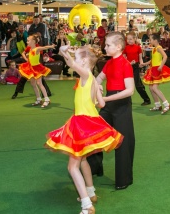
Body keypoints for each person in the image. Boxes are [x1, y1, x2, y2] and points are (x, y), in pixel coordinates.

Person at [46, 44, 123, 214]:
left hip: (81, 124)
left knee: (72, 167)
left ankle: (87, 205)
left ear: (85, 61)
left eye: (79, 58)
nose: (76, 62)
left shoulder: (87, 75)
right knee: (83, 161)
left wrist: (64, 52)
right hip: (91, 121)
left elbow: (72, 65)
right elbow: (101, 104)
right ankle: (90, 192)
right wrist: (99, 91)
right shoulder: (93, 80)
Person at [87, 32, 135, 190]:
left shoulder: (125, 64)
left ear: (118, 47)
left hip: (121, 105)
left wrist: (105, 99)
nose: (105, 47)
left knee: (123, 142)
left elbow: (130, 91)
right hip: (108, 103)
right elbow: (99, 79)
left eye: (108, 45)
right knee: (96, 135)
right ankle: (95, 168)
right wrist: (96, 85)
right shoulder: (108, 63)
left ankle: (124, 180)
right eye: (105, 44)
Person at [142, 33, 170, 114]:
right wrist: (145, 64)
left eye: (150, 39)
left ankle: (167, 104)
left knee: (154, 88)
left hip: (158, 69)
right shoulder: (154, 49)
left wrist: (161, 66)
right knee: (151, 88)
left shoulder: (159, 48)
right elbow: (152, 60)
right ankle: (157, 105)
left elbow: (165, 56)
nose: (149, 41)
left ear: (155, 40)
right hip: (153, 69)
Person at [19, 34, 55, 108]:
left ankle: (47, 99)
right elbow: (24, 54)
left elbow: (44, 47)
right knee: (33, 83)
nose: (27, 41)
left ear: (33, 41)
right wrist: (26, 59)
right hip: (30, 68)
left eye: (28, 40)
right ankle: (38, 99)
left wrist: (51, 46)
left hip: (37, 68)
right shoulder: (29, 48)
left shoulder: (37, 49)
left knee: (39, 83)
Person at [123, 32, 151, 106]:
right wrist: (129, 63)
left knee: (137, 84)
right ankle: (126, 101)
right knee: (126, 84)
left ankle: (147, 99)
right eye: (128, 39)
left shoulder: (138, 47)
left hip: (135, 66)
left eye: (131, 39)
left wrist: (141, 63)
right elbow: (124, 58)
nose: (129, 41)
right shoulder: (125, 48)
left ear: (135, 39)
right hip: (128, 66)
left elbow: (140, 57)